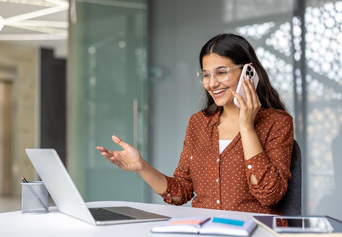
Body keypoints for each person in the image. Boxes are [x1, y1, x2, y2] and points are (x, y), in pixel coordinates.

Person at [96, 33, 294, 215]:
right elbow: (181, 191)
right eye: (206, 75)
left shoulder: (277, 122)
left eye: (221, 72)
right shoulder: (198, 123)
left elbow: (270, 194)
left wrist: (247, 127)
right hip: (205, 231)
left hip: (256, 231)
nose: (211, 83)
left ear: (247, 72)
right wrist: (141, 167)